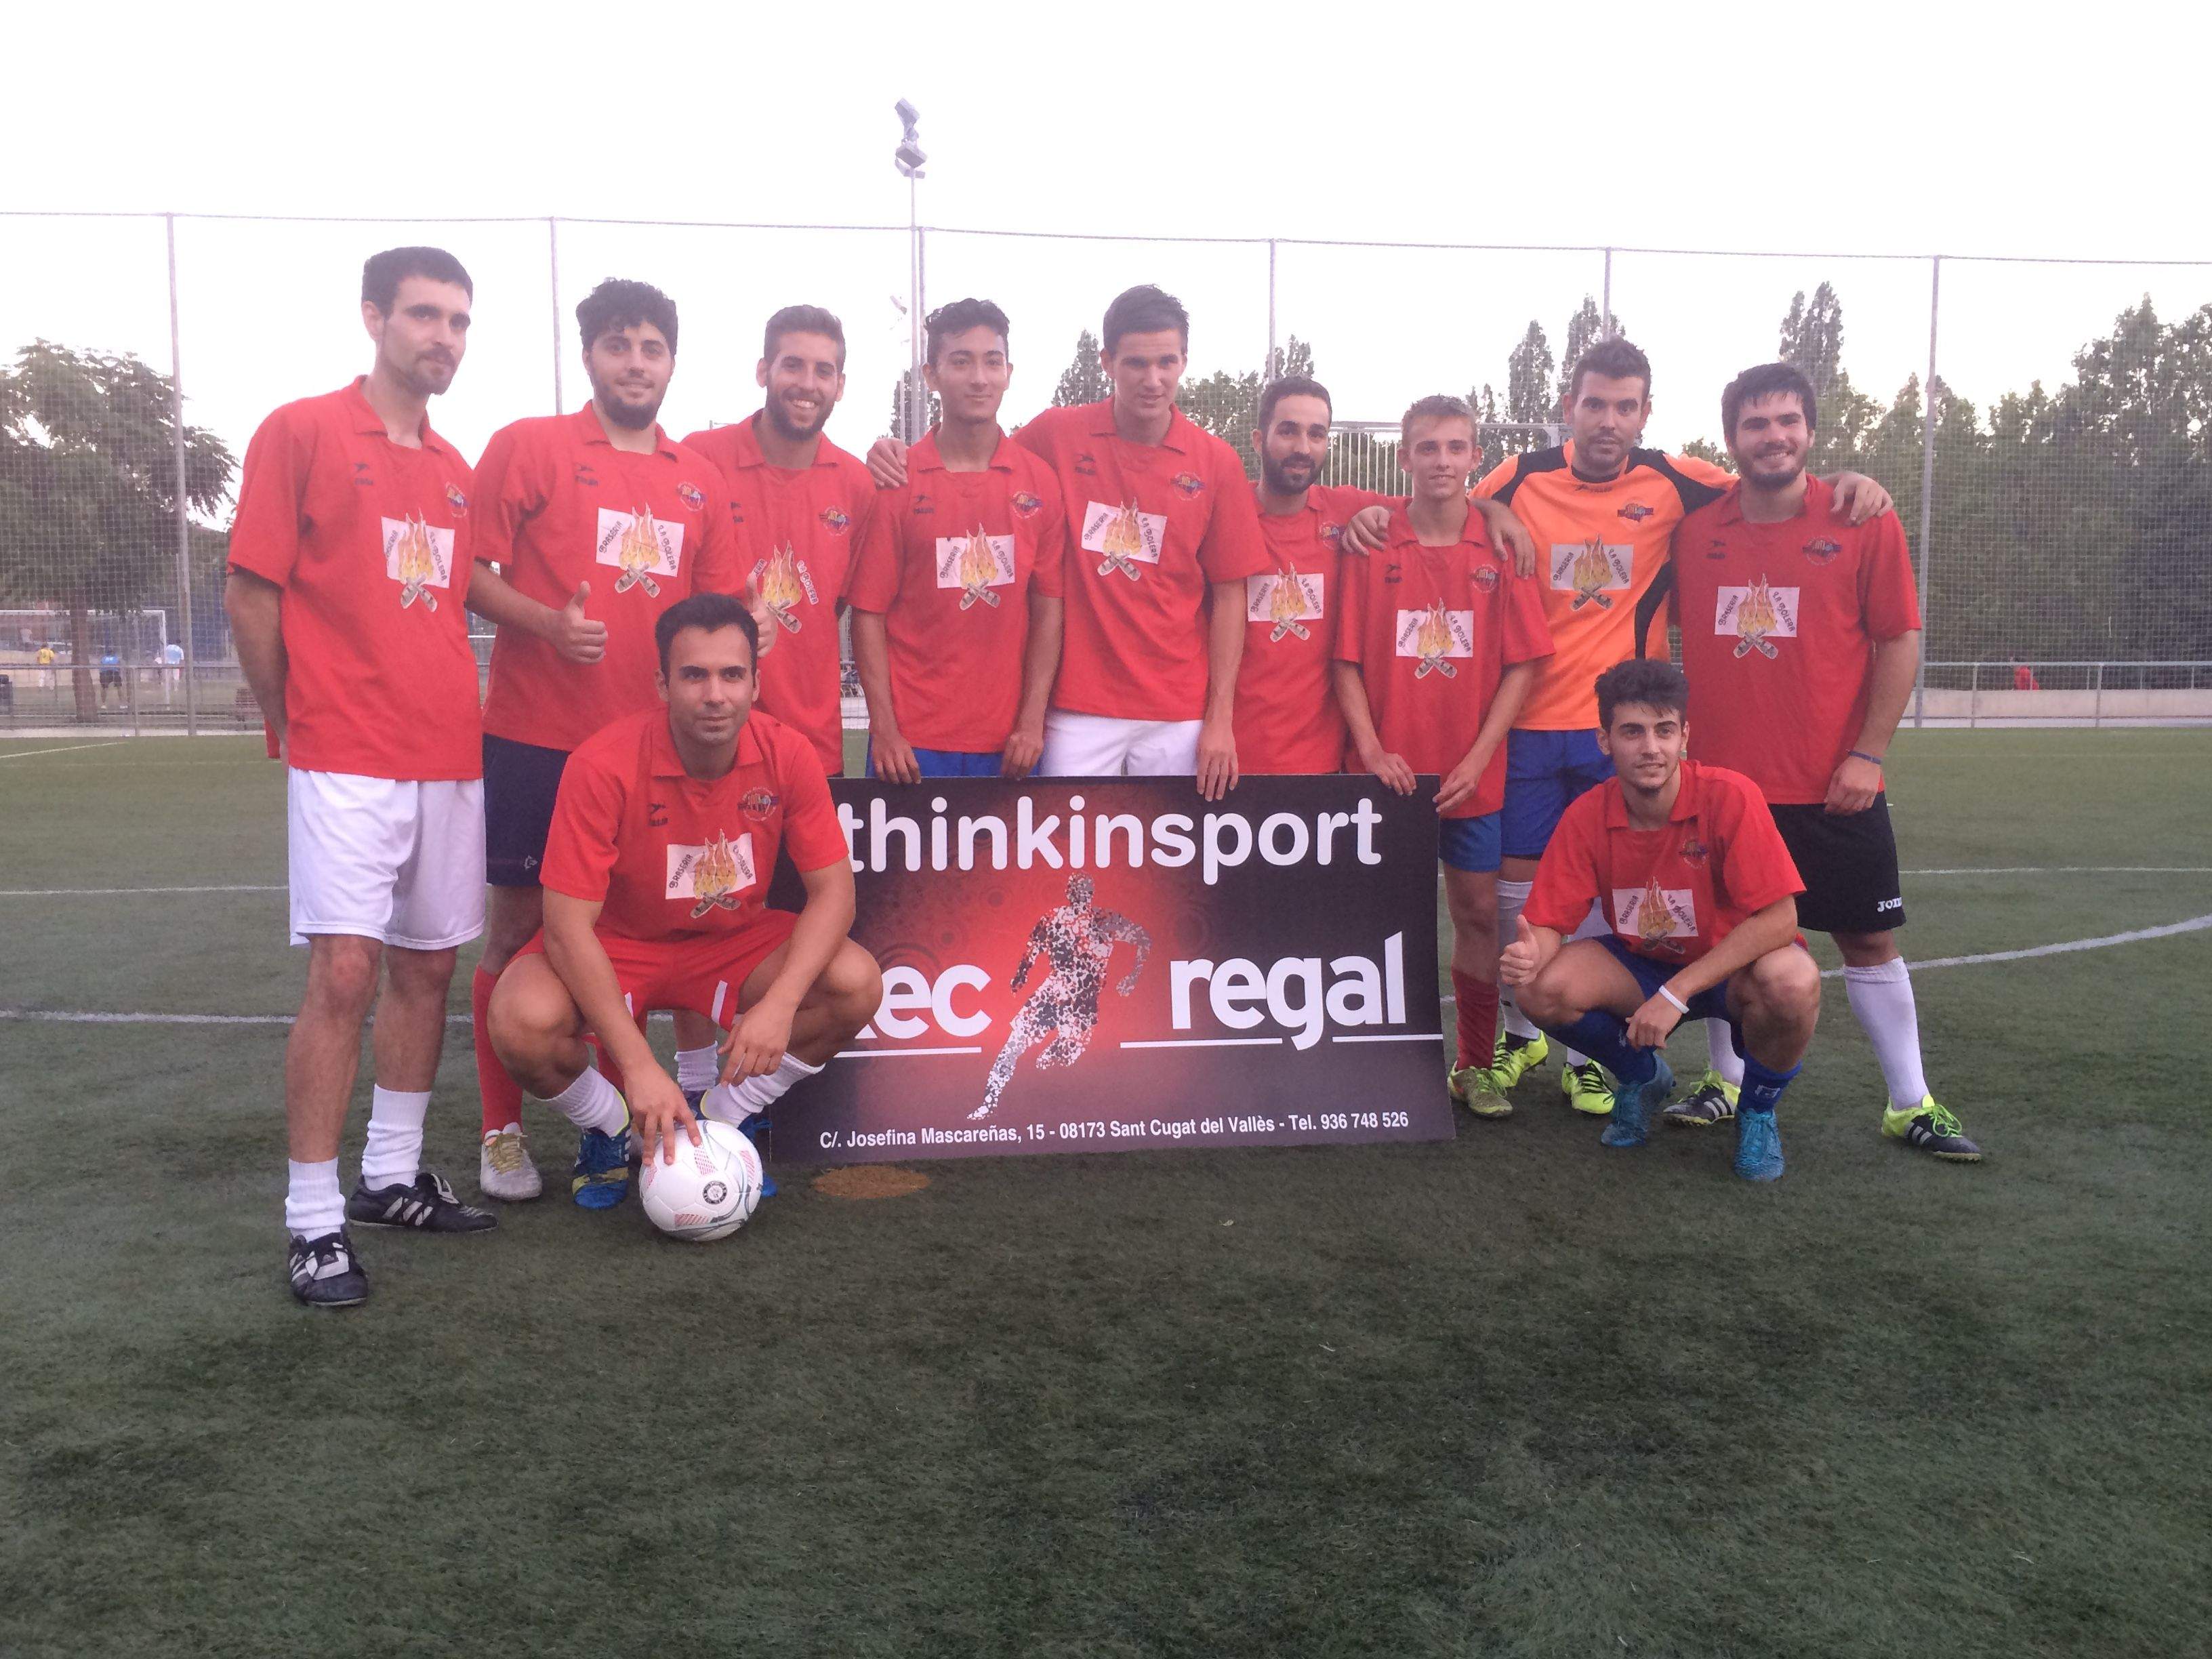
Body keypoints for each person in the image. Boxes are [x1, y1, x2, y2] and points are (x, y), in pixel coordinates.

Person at [1473, 337, 1891, 1123]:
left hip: (1621, 732)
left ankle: (1583, 1064)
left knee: (1613, 890)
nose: (1608, 419)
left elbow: (1773, 482)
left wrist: (1848, 485)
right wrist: (1492, 507)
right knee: (1522, 892)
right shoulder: (1522, 474)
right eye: (1594, 403)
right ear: (1570, 406)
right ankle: (1518, 1030)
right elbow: (1454, 504)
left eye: (1624, 406)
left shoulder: (1677, 480)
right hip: (1527, 721)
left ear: (1645, 413)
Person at [226, 245, 495, 1310]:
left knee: (429, 968)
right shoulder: (301, 431)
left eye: (461, 322)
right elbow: (253, 591)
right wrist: (287, 712)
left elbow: (458, 593)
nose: (444, 338)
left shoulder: (455, 468)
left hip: (448, 753)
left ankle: (389, 1175)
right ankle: (312, 1221)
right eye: (426, 316)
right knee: (345, 974)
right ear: (375, 318)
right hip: (347, 751)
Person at [462, 278, 756, 1202]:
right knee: (520, 935)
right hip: (538, 740)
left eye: (653, 347)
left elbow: (723, 612)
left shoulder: (696, 477)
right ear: (588, 354)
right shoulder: (529, 447)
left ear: (672, 360)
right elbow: (469, 573)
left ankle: (629, 1119)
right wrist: (547, 624)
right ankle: (502, 1131)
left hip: (655, 758)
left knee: (640, 928)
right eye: (619, 345)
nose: (637, 363)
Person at [1660, 361, 1980, 1160]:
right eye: (1756, 425)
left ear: (1810, 430)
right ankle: (1726, 1086)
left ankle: (1911, 1102)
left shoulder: (1861, 518)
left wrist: (1868, 754)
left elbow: (1899, 639)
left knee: (1868, 942)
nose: (1774, 437)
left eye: (1788, 422)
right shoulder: (1695, 527)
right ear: (1730, 439)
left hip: (1835, 784)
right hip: (1725, 789)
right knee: (1724, 940)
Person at [487, 593, 882, 1205]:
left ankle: (723, 1120)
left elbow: (835, 893)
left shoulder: (789, 753)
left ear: (756, 681)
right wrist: (640, 1067)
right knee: (519, 1020)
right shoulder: (603, 763)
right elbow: (567, 926)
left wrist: (779, 1005)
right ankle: (611, 1126)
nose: (715, 694)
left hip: (731, 946)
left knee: (856, 982)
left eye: (731, 674)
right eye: (694, 675)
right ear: (662, 684)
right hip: (622, 944)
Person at [867, 285, 1271, 799]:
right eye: (1136, 363)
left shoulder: (1216, 461)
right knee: (1061, 866)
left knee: (1171, 868)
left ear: (1184, 361)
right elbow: (975, 449)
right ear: (1107, 362)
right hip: (1077, 709)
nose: (1153, 379)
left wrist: (1219, 717)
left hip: (1179, 711)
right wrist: (890, 453)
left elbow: (1232, 593)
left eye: (1167, 362)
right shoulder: (1057, 435)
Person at [1501, 658, 1820, 1181]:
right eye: (1632, 732)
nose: (1651, 747)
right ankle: (1642, 1077)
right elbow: (1548, 922)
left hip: (1731, 971)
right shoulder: (1586, 814)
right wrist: (1531, 950)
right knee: (1539, 986)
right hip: (1642, 964)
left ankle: (1758, 1111)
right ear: (1605, 741)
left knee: (1793, 981)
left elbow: (1780, 919)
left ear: (1684, 736)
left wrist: (1675, 995)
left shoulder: (1729, 796)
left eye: (1664, 730)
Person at [1334, 395, 1553, 1118]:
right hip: (1385, 774)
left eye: (1456, 448)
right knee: (1371, 916)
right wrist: (1371, 749)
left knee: (1478, 914)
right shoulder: (1373, 543)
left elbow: (1523, 666)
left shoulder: (1501, 547)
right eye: (1427, 448)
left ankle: (1475, 1064)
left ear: (1474, 459)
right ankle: (1369, 1059)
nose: (1442, 461)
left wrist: (1479, 757)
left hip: (1470, 778)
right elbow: (1347, 664)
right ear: (1403, 458)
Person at [847, 298, 1068, 781]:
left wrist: (1032, 721)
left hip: (1010, 745)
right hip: (911, 747)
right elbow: (869, 615)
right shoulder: (897, 482)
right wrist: (883, 728)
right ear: (931, 375)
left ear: (1009, 372)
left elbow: (1049, 608)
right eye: (961, 361)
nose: (979, 378)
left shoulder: (1040, 483)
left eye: (992, 362)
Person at [682, 306, 878, 776]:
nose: (808, 384)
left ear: (841, 385)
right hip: (707, 737)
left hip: (811, 747)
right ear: (763, 371)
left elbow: (836, 604)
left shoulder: (856, 483)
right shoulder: (700, 458)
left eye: (823, 371)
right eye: (793, 365)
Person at [971, 874, 1151, 1122]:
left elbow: (1144, 939)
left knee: (1057, 1059)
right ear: (1070, 893)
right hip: (1054, 994)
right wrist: (1021, 975)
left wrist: (1133, 976)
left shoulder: (1104, 920)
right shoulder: (1054, 918)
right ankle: (989, 1101)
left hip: (1081, 1004)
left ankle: (1046, 1070)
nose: (1081, 896)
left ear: (1090, 895)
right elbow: (1031, 949)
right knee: (1014, 1044)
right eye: (1077, 891)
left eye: (1085, 891)